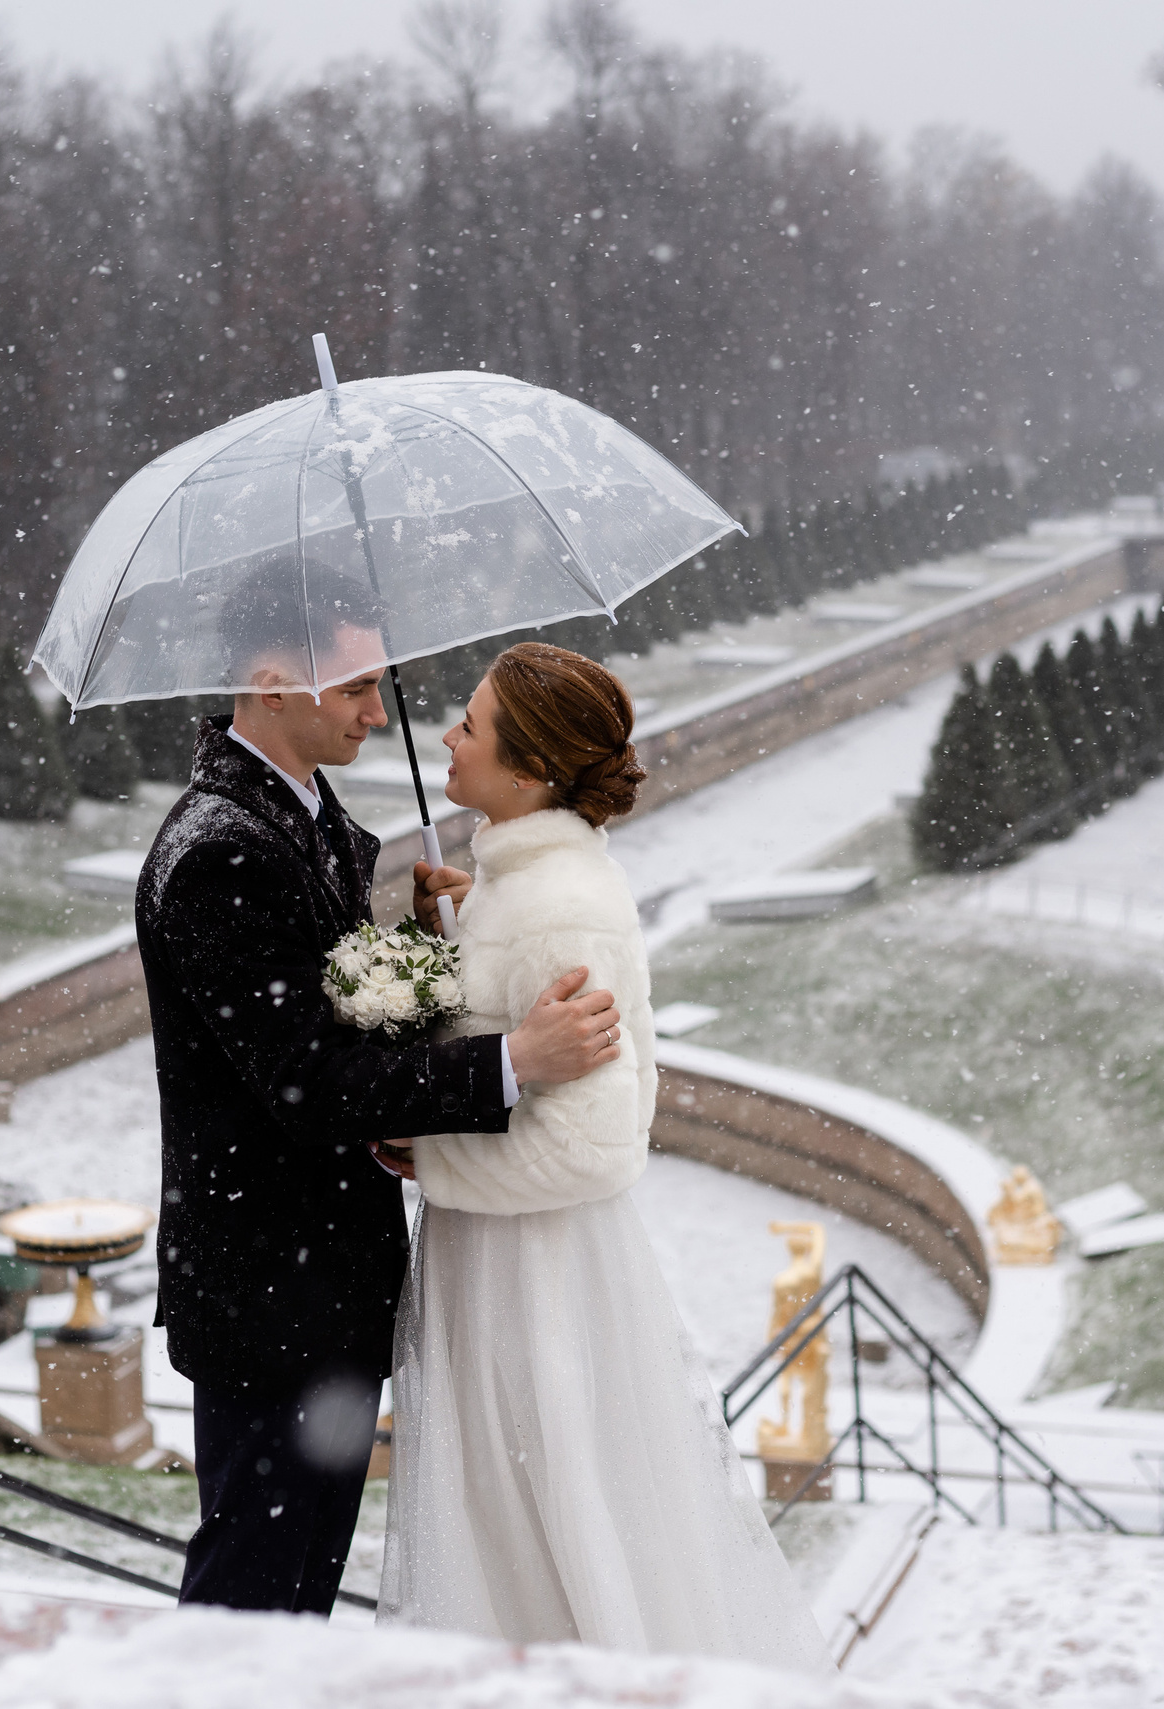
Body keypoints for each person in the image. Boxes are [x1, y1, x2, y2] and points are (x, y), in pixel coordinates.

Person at [136, 572, 625, 1618]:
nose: (378, 710)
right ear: (269, 683)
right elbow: (308, 1080)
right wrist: (513, 1061)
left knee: (302, 1588)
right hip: (269, 1294)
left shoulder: (303, 820)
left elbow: (334, 1012)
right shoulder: (220, 850)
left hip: (325, 1286)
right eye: (357, 686)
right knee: (253, 1603)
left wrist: (425, 946)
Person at [378, 641, 826, 1670]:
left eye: (473, 725)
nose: (447, 734)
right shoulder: (526, 887)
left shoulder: (560, 905)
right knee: (527, 1527)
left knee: (553, 1531)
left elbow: (592, 1148)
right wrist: (454, 923)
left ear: (530, 768)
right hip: (500, 1259)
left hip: (534, 1277)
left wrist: (433, 1160)